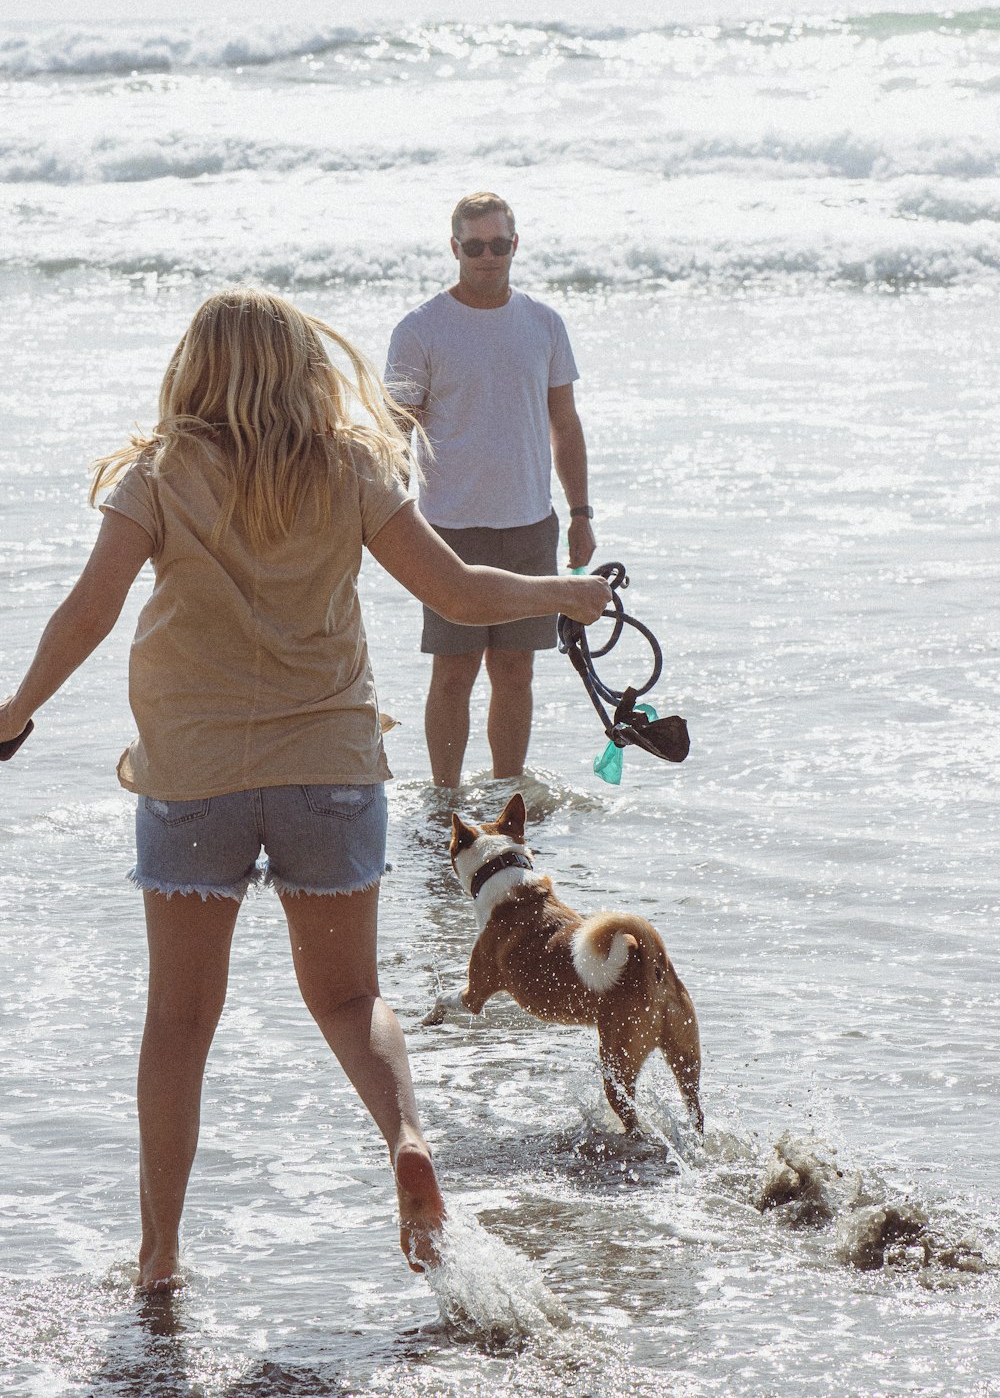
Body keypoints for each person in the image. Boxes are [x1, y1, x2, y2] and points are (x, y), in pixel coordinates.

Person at [0, 289, 610, 1293]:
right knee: (350, 995)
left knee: (179, 1020)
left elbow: (91, 608)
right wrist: (560, 592)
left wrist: (17, 706)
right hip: (330, 769)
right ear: (299, 365)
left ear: (196, 365)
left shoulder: (155, 471)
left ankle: (158, 1257)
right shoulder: (353, 463)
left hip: (194, 778)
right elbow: (455, 589)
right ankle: (406, 1136)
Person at [385, 192, 597, 788]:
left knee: (515, 671)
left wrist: (580, 514)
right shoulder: (421, 329)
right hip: (448, 529)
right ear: (454, 248)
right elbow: (394, 434)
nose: (486, 256)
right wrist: (386, 524)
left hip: (531, 523)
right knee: (453, 673)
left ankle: (509, 794)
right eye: (474, 246)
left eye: (498, 245)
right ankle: (445, 800)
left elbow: (567, 426)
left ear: (514, 245)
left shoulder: (544, 323)